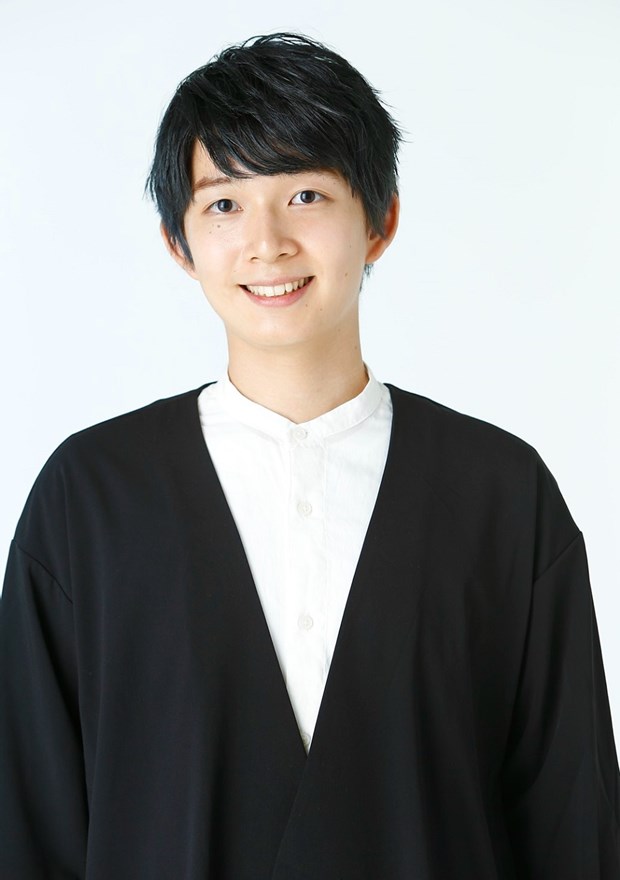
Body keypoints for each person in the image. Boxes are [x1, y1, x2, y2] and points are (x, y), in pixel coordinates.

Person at [1, 32, 618, 879]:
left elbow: (573, 829)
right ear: (179, 241)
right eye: (224, 204)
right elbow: (28, 827)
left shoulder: (503, 497)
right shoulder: (90, 499)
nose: (267, 243)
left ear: (381, 220)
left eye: (305, 195)